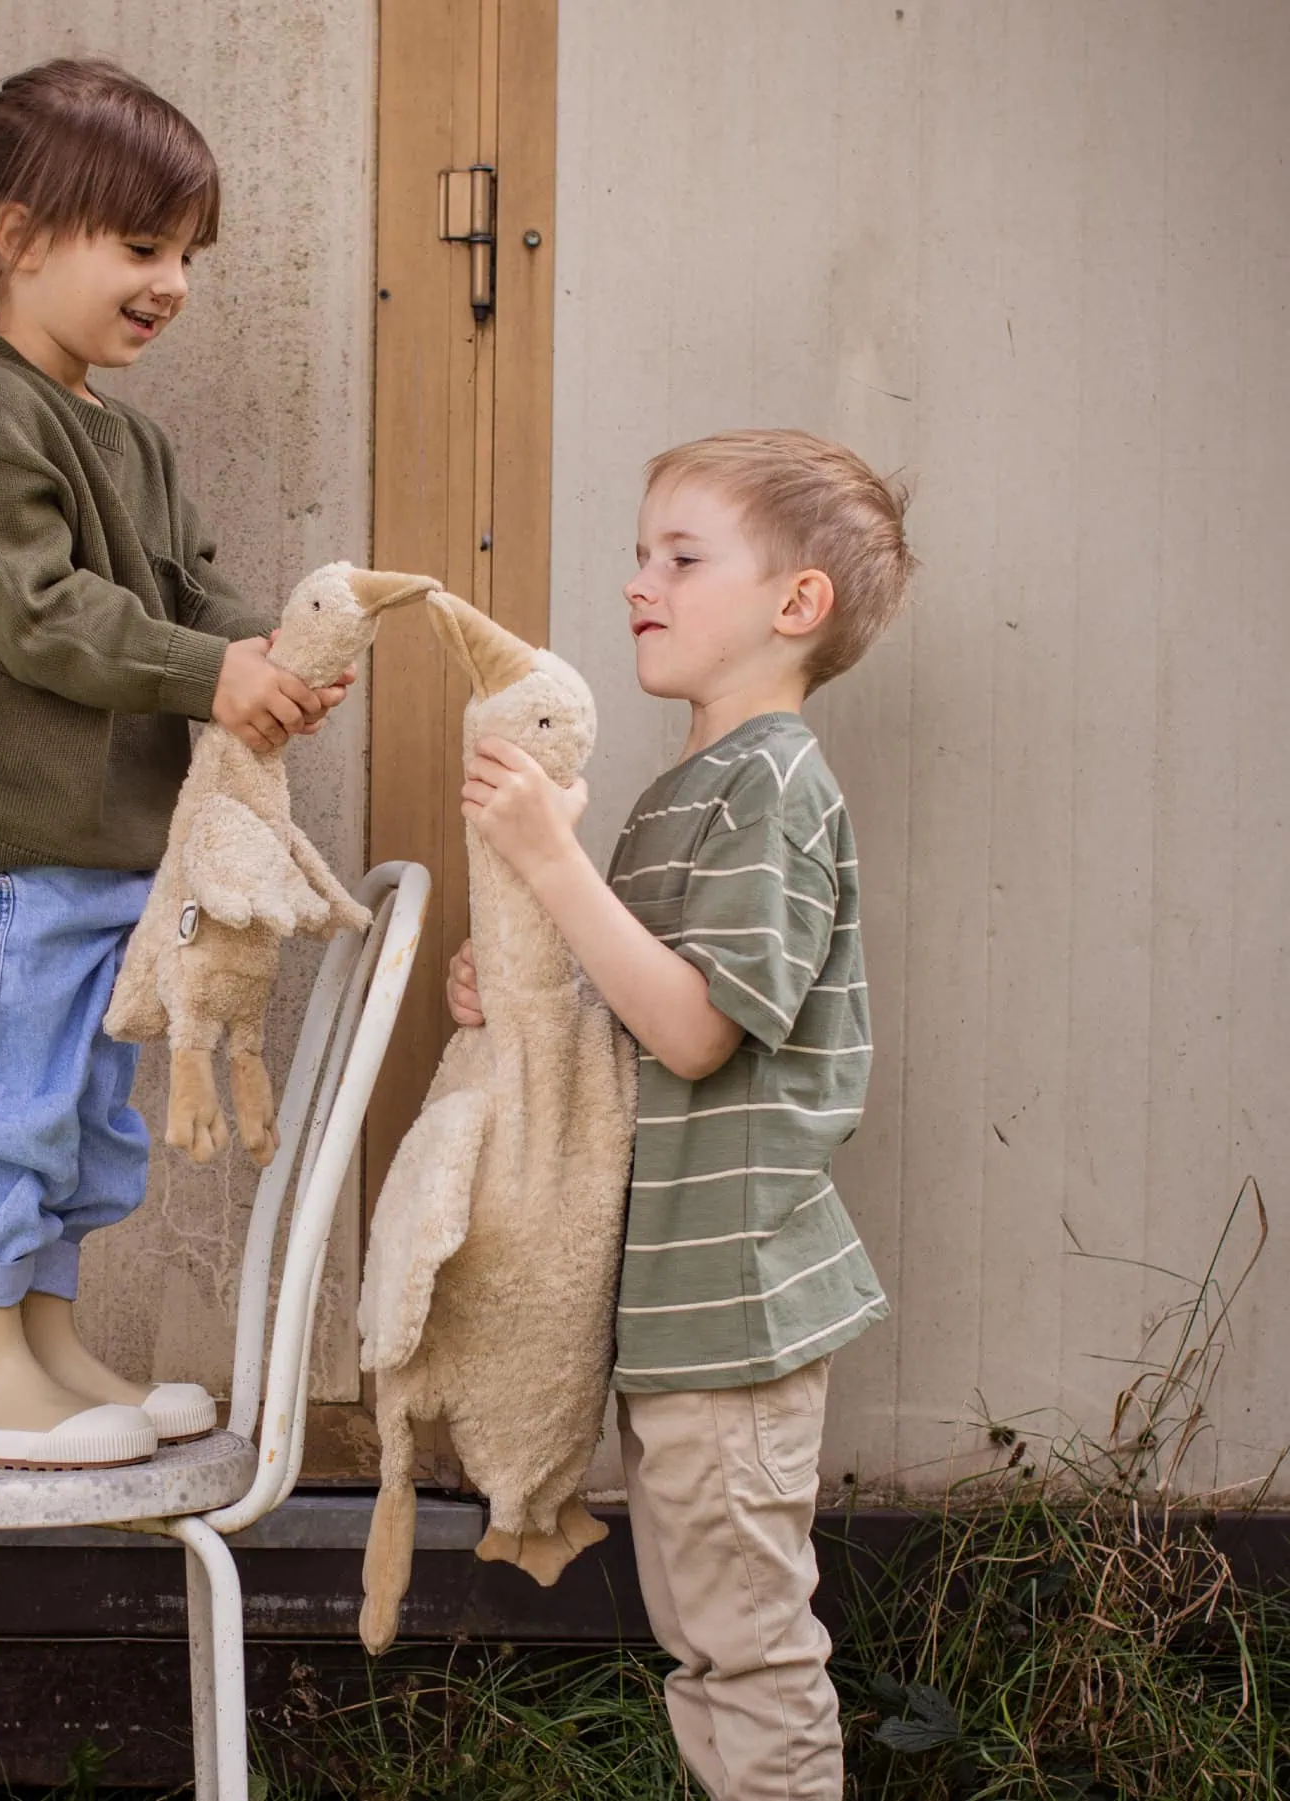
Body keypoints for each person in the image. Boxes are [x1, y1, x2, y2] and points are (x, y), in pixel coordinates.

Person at [0, 57, 351, 1469]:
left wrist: (273, 649)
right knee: (0, 1097)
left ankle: (36, 1339)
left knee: (78, 1114)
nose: (173, 283)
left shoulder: (127, 437)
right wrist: (213, 676)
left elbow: (181, 592)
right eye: (143, 247)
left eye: (187, 253)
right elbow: (42, 614)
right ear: (21, 239)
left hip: (87, 856)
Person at [446, 430, 914, 1797]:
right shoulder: (683, 793)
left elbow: (702, 1031)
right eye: (640, 554)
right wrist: (524, 978)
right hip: (678, 1305)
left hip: (733, 1303)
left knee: (746, 1646)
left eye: (683, 557)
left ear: (797, 603)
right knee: (706, 1641)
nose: (639, 581)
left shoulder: (772, 784)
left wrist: (553, 862)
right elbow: (641, 1016)